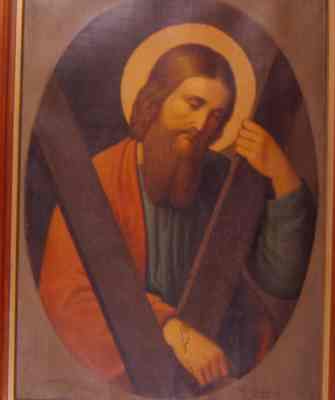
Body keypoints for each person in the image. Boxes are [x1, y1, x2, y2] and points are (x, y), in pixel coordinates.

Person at [39, 44, 315, 391]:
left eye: (217, 115)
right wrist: (171, 330)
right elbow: (65, 299)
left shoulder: (220, 180)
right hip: (138, 372)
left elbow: (282, 279)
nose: (202, 125)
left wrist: (282, 175)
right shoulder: (98, 181)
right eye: (194, 104)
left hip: (222, 364)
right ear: (156, 101)